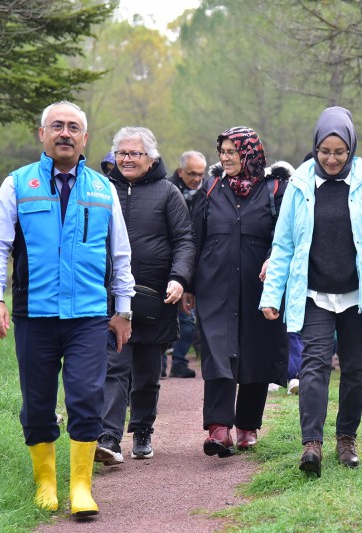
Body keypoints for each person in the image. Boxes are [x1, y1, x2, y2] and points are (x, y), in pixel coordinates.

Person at [0, 101, 135, 516]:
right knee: (37, 401)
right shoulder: (17, 184)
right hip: (35, 314)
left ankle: (81, 487)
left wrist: (123, 310)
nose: (65, 133)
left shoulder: (103, 189)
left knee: (87, 396)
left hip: (88, 316)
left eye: (73, 127)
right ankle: (45, 484)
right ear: (42, 134)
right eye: (57, 126)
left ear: (85, 138)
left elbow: (120, 254)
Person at [260, 106, 362, 476]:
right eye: (325, 151)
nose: (332, 159)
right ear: (316, 147)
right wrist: (271, 295)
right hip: (314, 294)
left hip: (357, 295)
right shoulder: (299, 184)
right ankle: (312, 444)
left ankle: (346, 439)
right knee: (314, 365)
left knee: (354, 368)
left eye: (340, 152)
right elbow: (283, 245)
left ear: (351, 148)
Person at [184, 126, 289, 458]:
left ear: (249, 153)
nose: (225, 158)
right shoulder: (210, 189)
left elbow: (284, 236)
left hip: (260, 285)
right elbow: (194, 238)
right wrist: (188, 284)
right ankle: (218, 428)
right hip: (215, 284)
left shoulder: (275, 190)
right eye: (222, 152)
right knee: (217, 351)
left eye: (232, 152)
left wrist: (273, 260)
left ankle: (247, 425)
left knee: (256, 351)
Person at [94, 127, 195, 466]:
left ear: (151, 158)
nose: (127, 159)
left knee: (147, 372)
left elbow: (184, 240)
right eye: (121, 153)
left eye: (134, 153)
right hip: (110, 297)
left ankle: (141, 430)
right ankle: (109, 437)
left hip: (155, 298)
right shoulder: (101, 190)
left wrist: (179, 279)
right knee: (114, 367)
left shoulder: (168, 193)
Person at [164, 150, 208, 378]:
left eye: (201, 174)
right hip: (167, 260)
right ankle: (159, 363)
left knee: (188, 320)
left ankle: (179, 362)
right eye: (192, 174)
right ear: (181, 172)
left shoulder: (207, 192)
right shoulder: (166, 189)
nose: (197, 179)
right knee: (162, 317)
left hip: (192, 264)